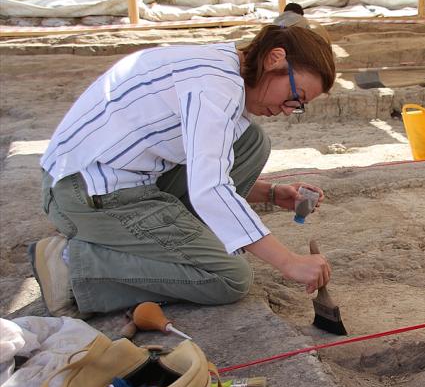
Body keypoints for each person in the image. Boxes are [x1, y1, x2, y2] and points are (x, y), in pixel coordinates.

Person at [30, 25, 336, 319]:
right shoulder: (215, 87)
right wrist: (289, 262)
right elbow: (210, 188)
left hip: (118, 178)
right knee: (229, 277)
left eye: (298, 106)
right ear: (274, 59)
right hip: (85, 193)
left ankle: (186, 246)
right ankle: (72, 266)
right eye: (296, 97)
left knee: (251, 141)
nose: (287, 109)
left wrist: (270, 193)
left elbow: (208, 166)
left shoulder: (224, 67)